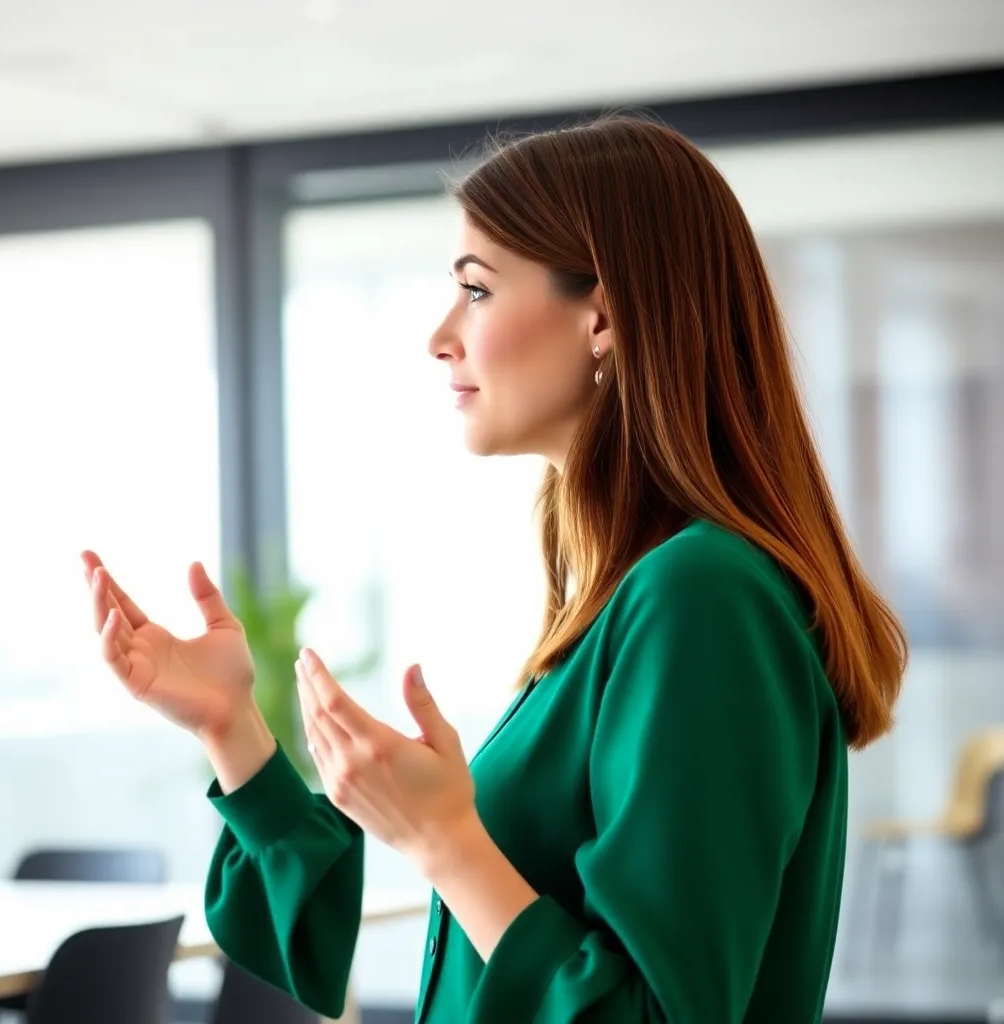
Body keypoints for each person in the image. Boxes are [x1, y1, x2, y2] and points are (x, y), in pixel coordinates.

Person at [80, 113, 907, 1023]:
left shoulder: (702, 597)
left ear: (605, 315)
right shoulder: (625, 596)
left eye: (476, 289)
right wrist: (230, 727)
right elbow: (324, 953)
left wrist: (444, 838)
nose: (441, 335)